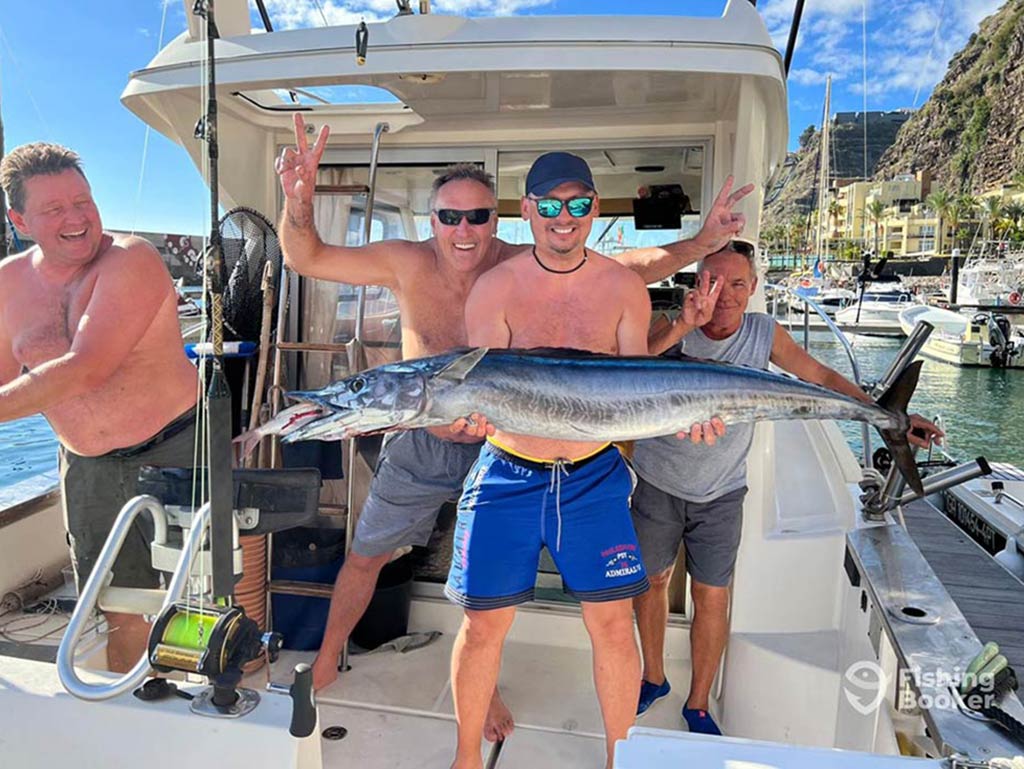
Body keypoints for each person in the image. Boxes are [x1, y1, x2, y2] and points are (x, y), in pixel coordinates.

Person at [274, 111, 744, 726]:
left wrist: (703, 243)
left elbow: (631, 267)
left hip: (503, 443)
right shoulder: (403, 261)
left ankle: (488, 698)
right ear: (432, 220)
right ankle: (329, 658)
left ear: (501, 218)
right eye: (449, 216)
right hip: (423, 439)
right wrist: (301, 200)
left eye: (477, 216)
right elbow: (306, 256)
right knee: (366, 553)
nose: (463, 229)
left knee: (488, 600)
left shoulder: (520, 261)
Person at [444, 151, 717, 769]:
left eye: (575, 204)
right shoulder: (495, 288)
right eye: (547, 204)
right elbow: (486, 389)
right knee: (483, 624)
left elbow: (632, 385)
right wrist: (469, 419)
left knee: (614, 627)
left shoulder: (622, 286)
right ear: (527, 212)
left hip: (593, 478)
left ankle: (619, 760)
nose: (561, 217)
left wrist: (684, 416)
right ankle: (465, 760)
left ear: (592, 209)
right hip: (508, 471)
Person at [630, 242, 944, 735]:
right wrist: (685, 326)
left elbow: (817, 374)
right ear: (697, 286)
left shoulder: (762, 332)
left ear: (753, 287)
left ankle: (696, 703)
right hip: (658, 481)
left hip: (721, 490)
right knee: (650, 583)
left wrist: (886, 417)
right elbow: (632, 364)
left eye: (737, 283)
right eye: (713, 282)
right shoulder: (671, 329)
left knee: (712, 595)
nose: (726, 295)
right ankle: (653, 676)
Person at [0, 142, 198, 672]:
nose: (77, 218)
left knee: (198, 599)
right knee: (115, 604)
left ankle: (205, 711)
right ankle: (134, 705)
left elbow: (87, 367)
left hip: (176, 448)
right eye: (55, 209)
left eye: (82, 201)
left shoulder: (132, 258)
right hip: (85, 466)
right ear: (19, 220)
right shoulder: (7, 284)